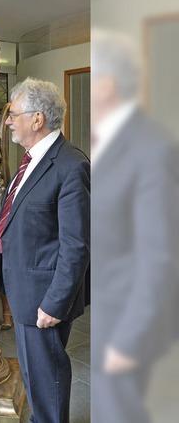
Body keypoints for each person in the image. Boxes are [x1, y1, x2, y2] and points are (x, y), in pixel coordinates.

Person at [91, 30, 179, 423]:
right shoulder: (112, 142)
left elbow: (159, 252)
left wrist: (128, 340)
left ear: (107, 83)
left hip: (129, 322)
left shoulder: (150, 147)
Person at [0, 78, 90, 423]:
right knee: (35, 374)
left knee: (46, 376)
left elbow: (76, 245)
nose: (8, 121)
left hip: (44, 296)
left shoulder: (69, 165)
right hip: (25, 288)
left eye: (13, 114)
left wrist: (54, 302)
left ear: (38, 119)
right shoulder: (31, 159)